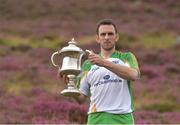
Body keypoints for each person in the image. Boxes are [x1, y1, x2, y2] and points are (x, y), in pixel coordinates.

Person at [58, 19, 140, 124]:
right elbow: (81, 98)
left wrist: (103, 62)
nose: (106, 37)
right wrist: (70, 84)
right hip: (95, 119)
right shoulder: (88, 64)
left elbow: (133, 75)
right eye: (103, 34)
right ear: (97, 38)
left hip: (122, 118)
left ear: (116, 37)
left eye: (110, 34)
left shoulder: (126, 57)